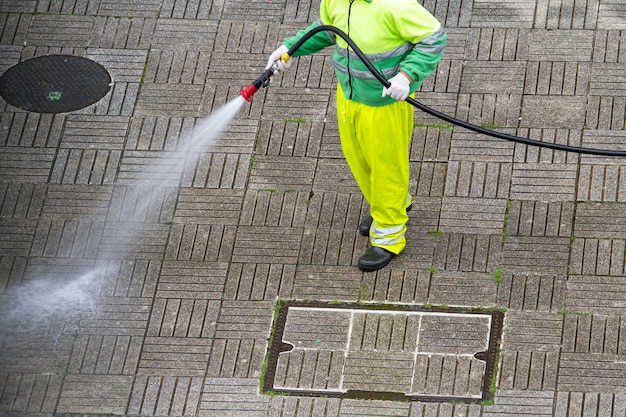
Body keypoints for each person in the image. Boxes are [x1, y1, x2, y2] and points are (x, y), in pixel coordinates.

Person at [266, 0, 446, 271]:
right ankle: (390, 205)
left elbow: (433, 37)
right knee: (358, 157)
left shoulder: (394, 5)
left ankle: (389, 236)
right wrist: (290, 49)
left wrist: (407, 76)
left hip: (385, 103)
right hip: (350, 94)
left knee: (386, 167)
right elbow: (328, 30)